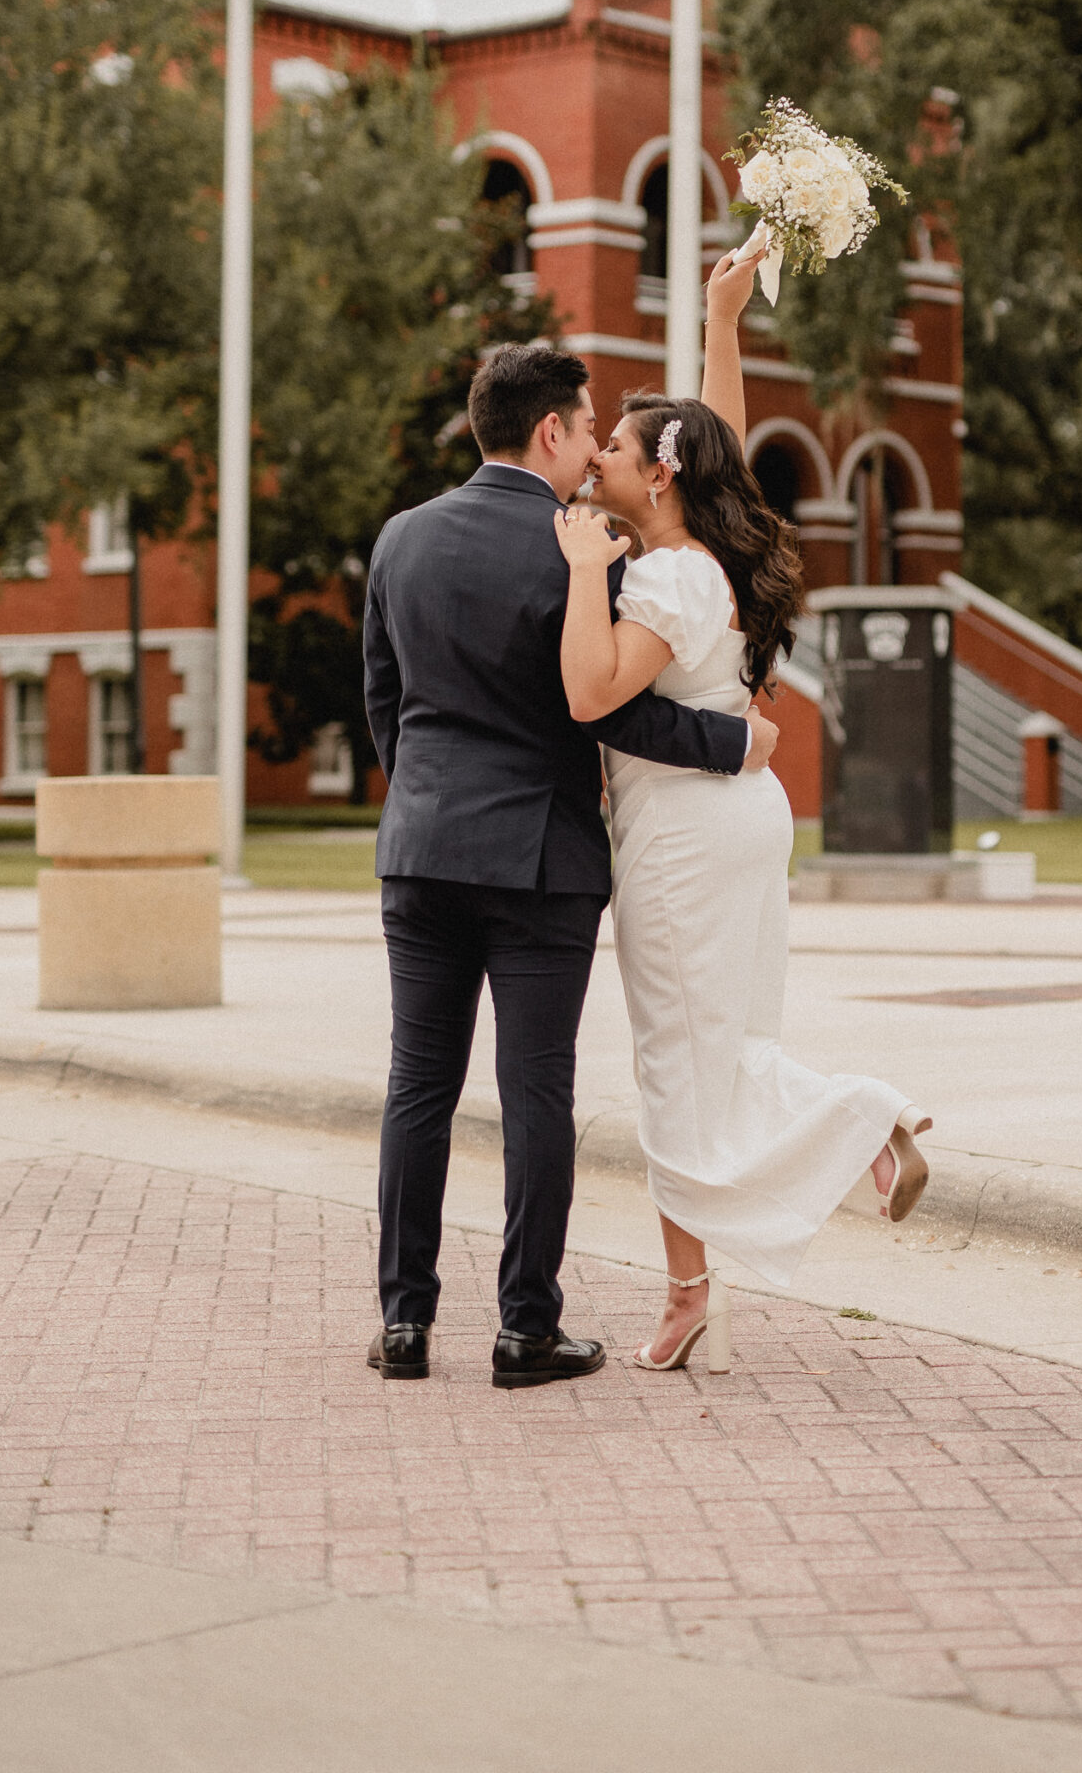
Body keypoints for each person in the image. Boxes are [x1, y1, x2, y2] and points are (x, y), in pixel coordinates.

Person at [362, 339, 780, 1388]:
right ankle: (522, 1330)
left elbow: (383, 698)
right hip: (539, 857)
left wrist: (421, 800)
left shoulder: (401, 539)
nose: (595, 447)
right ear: (548, 429)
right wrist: (734, 741)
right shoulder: (585, 549)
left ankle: (404, 1325)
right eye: (589, 426)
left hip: (419, 850)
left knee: (418, 1083)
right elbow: (612, 701)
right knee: (534, 1092)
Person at [554, 251, 932, 1373]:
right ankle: (687, 1285)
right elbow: (714, 428)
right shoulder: (710, 548)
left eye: (615, 449)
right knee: (707, 1053)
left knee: (680, 1066)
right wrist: (721, 318)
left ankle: (864, 1120)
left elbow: (588, 696)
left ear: (657, 479)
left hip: (682, 838)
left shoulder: (666, 576)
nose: (599, 459)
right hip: (737, 817)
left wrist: (584, 570)